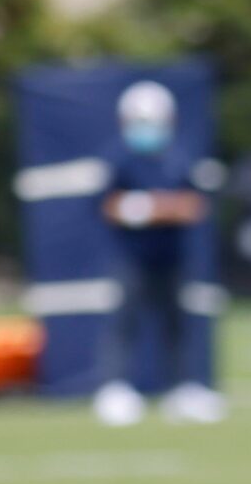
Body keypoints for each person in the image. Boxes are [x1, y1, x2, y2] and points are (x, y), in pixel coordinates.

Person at [95, 78, 223, 424]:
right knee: (125, 322)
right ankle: (116, 388)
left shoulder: (178, 157)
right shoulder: (119, 158)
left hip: (171, 255)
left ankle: (183, 390)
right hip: (132, 256)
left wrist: (145, 207)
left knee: (177, 325)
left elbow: (193, 205)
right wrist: (156, 207)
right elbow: (109, 205)